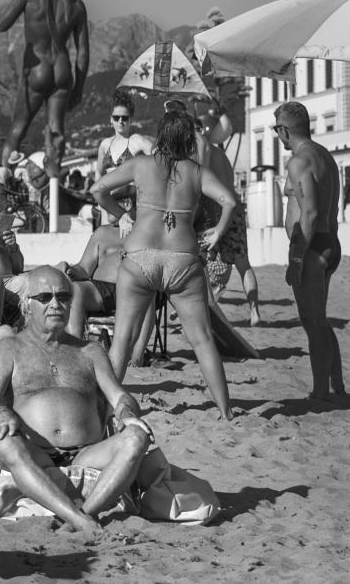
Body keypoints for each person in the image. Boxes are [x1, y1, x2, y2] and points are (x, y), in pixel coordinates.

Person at [0, 266, 152, 532]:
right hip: (35, 453)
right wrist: (2, 414)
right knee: (6, 445)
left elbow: (120, 397)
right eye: (45, 297)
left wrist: (126, 412)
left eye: (63, 297)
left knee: (136, 438)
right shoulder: (9, 348)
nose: (56, 304)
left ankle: (81, 515)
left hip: (87, 454)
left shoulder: (90, 351)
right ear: (26, 305)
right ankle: (79, 518)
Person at [90, 111, 237, 421]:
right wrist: (219, 230)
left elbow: (97, 190)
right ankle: (226, 411)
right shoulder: (196, 171)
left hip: (140, 257)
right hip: (182, 260)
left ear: (160, 137)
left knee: (123, 339)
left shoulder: (141, 164)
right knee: (202, 339)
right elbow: (230, 201)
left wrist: (122, 215)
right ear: (188, 139)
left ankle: (106, 412)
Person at [0, 0, 89, 178]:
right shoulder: (76, 4)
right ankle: (54, 183)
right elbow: (83, 53)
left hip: (36, 69)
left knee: (18, 128)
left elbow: (1, 24)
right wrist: (78, 88)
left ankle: (3, 183)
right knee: (57, 129)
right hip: (62, 70)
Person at [273, 101, 344, 399]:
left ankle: (320, 393)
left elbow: (311, 214)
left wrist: (298, 258)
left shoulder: (299, 161)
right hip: (329, 243)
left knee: (312, 323)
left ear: (285, 131)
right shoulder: (324, 155)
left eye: (277, 129)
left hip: (312, 247)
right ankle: (335, 386)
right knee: (320, 320)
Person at [54, 200, 156, 365]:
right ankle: (75, 352)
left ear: (127, 204)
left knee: (147, 292)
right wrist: (70, 270)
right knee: (76, 289)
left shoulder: (145, 232)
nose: (102, 207)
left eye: (107, 202)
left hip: (136, 289)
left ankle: (138, 354)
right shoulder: (102, 233)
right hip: (102, 290)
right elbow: (85, 268)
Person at [197, 121, 261, 326]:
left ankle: (203, 309)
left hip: (217, 213)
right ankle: (254, 312)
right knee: (243, 264)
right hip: (235, 212)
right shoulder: (221, 154)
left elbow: (203, 185)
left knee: (201, 263)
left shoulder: (202, 154)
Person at [95, 91, 154, 181]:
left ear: (130, 119)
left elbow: (160, 158)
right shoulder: (105, 144)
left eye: (125, 118)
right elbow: (98, 172)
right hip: (109, 194)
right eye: (116, 117)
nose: (120, 121)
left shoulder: (137, 141)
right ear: (111, 119)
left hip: (132, 194)